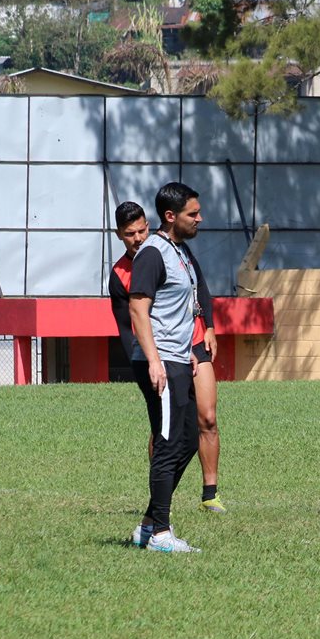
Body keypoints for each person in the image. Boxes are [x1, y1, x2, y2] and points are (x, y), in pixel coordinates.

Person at [110, 200, 226, 514]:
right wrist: (149, 360)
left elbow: (198, 285)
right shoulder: (122, 272)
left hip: (191, 346)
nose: (137, 237)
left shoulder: (175, 251)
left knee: (204, 421)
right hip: (160, 355)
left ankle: (209, 494)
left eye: (142, 229)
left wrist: (210, 327)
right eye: (129, 233)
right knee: (165, 432)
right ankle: (159, 510)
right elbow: (129, 322)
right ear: (119, 235)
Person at [127, 183, 207, 552]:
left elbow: (180, 308)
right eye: (193, 213)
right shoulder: (152, 253)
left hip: (179, 358)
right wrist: (156, 360)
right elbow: (138, 310)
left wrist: (187, 348)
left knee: (189, 439)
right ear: (171, 216)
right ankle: (160, 533)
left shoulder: (181, 251)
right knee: (167, 444)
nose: (200, 219)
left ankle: (148, 525)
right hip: (160, 364)